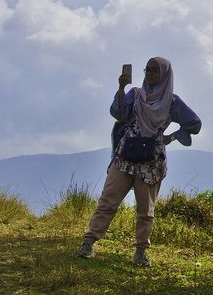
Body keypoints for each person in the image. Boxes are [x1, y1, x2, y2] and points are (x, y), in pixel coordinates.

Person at [75, 56, 201, 266]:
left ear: (164, 75)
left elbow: (194, 124)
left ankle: (141, 251)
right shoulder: (135, 94)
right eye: (147, 70)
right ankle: (88, 242)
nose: (150, 74)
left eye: (155, 71)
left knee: (145, 209)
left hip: (151, 161)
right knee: (108, 199)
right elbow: (119, 113)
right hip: (125, 155)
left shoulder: (172, 102)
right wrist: (121, 87)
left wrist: (171, 136)